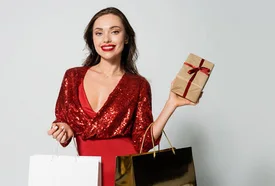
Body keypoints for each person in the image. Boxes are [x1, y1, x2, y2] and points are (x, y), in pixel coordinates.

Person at [46, 7, 198, 186]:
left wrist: (171, 104)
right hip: (87, 175)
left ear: (126, 38)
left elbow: (144, 141)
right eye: (99, 33)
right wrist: (64, 130)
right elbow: (64, 122)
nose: (106, 39)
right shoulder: (73, 77)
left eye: (115, 32)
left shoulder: (138, 84)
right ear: (92, 38)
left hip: (128, 175)